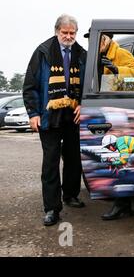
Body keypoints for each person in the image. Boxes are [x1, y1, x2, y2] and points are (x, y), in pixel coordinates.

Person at [22, 14, 87, 226]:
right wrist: (33, 114)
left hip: (73, 114)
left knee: (73, 158)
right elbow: (30, 86)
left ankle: (70, 194)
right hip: (49, 116)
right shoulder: (42, 52)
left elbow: (89, 85)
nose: (69, 36)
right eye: (65, 32)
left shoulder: (82, 54)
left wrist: (84, 106)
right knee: (50, 162)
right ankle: (51, 208)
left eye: (72, 33)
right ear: (56, 31)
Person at [100, 134, 134, 220]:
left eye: (108, 147)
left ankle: (121, 205)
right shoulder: (120, 142)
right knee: (127, 168)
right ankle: (133, 205)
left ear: (112, 144)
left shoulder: (120, 142)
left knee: (125, 169)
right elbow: (124, 157)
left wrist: (114, 163)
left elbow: (124, 158)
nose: (108, 149)